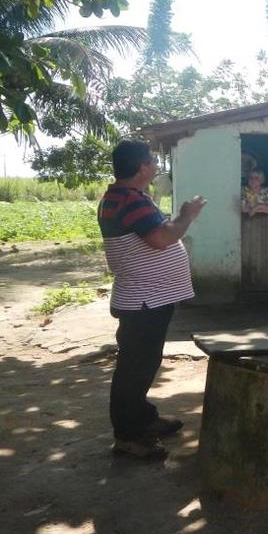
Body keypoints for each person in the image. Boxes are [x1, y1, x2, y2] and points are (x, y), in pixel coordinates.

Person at [97, 140, 207, 459]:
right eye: (152, 161)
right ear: (142, 167)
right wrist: (186, 216)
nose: (156, 166)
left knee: (143, 364)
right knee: (135, 368)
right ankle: (128, 436)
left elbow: (156, 234)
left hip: (149, 297)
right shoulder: (127, 199)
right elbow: (161, 238)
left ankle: (143, 419)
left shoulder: (130, 197)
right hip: (143, 299)